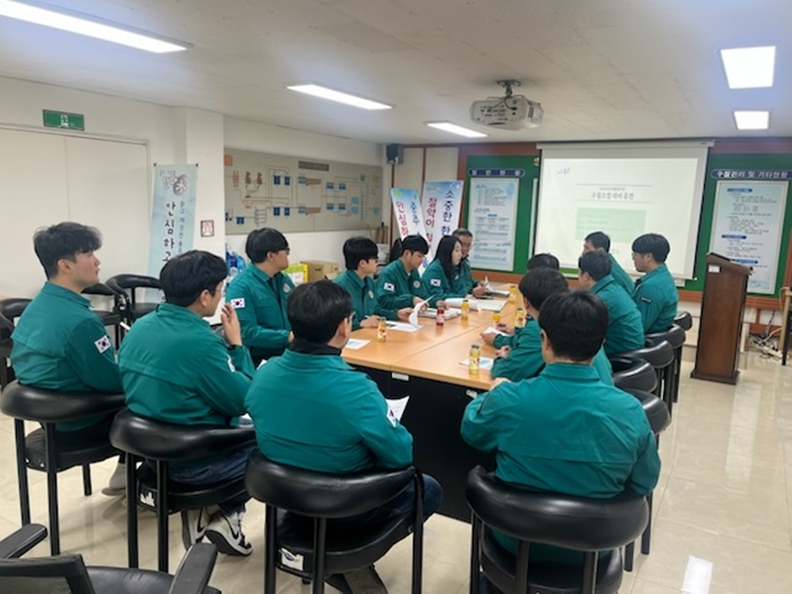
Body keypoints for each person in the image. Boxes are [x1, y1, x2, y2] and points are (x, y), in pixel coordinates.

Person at [246, 281, 443, 593]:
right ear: (343, 327)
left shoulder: (263, 374)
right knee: (428, 488)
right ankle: (350, 561)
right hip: (343, 505)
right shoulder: (357, 389)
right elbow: (400, 455)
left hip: (284, 496)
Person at [461, 290, 660, 572]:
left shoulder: (511, 399)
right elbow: (644, 481)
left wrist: (493, 394)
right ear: (601, 344)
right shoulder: (629, 411)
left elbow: (472, 431)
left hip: (515, 539)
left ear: (544, 340)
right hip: (593, 547)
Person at [118, 250, 256, 556]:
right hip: (196, 463)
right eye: (220, 289)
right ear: (205, 296)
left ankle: (203, 511)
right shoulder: (202, 342)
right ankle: (229, 515)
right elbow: (242, 400)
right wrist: (237, 345)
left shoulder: (139, 327)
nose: (222, 295)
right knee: (272, 440)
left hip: (153, 454)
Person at [10, 222, 126, 495]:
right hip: (80, 422)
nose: (97, 262)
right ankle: (148, 477)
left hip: (48, 417)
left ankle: (126, 473)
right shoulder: (81, 322)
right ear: (65, 265)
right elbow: (111, 382)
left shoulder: (35, 308)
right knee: (157, 397)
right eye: (89, 254)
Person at [481, 268, 613, 384]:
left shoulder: (540, 328)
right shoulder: (579, 319)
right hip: (602, 391)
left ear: (526, 302)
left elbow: (505, 372)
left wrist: (501, 358)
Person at [226, 227, 294, 361]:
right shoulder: (241, 287)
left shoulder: (283, 279)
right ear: (271, 256)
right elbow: (246, 332)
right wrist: (287, 337)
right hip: (259, 360)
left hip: (288, 354)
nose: (287, 255)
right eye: (285, 251)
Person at [334, 236, 411, 330]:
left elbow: (375, 309)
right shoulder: (339, 286)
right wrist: (360, 323)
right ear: (362, 263)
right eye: (375, 259)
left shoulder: (369, 282)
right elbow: (334, 322)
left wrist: (396, 314)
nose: (377, 263)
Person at [578, 251, 645, 355]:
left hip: (621, 355)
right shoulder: (615, 288)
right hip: (634, 350)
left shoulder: (601, 300)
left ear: (586, 276)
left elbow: (582, 332)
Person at [631, 233, 678, 333]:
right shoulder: (663, 276)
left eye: (635, 254)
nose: (633, 258)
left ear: (648, 257)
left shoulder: (651, 287)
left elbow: (638, 328)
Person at [376, 234, 433, 311]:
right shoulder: (389, 273)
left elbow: (422, 294)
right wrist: (410, 300)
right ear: (407, 253)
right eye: (419, 256)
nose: (422, 260)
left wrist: (435, 302)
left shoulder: (414, 271)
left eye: (423, 257)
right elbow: (384, 302)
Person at [583, 231, 634, 296]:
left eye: (587, 248)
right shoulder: (608, 261)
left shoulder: (605, 267)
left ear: (600, 251)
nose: (583, 252)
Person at [421, 235, 469, 303]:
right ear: (448, 251)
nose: (460, 255)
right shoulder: (434, 270)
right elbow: (436, 296)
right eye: (457, 251)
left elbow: (460, 290)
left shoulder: (453, 268)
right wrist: (462, 297)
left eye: (460, 251)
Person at [451, 228, 486, 296]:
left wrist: (477, 284)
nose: (465, 248)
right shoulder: (448, 264)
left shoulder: (465, 262)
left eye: (468, 245)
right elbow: (452, 291)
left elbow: (468, 282)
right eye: (462, 244)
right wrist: (472, 292)